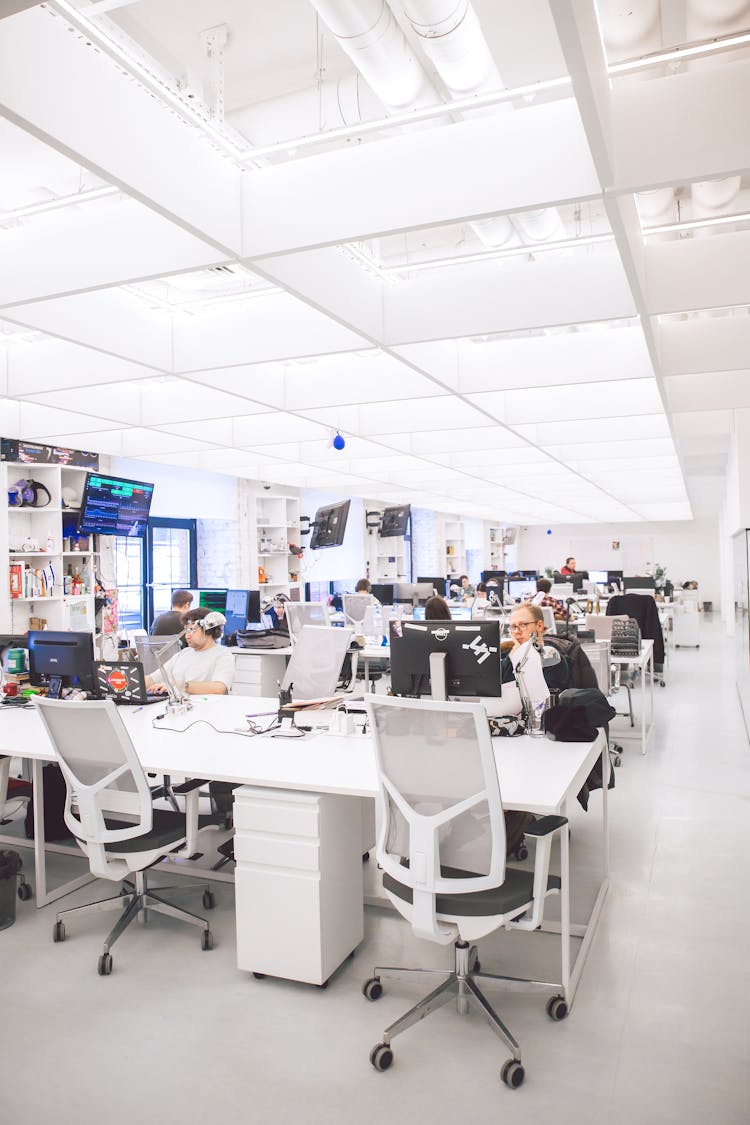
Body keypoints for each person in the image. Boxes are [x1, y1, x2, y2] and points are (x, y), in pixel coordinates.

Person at [146, 607, 234, 695]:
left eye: (192, 630)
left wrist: (180, 686)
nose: (187, 636)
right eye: (186, 630)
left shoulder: (223, 655)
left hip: (202, 706)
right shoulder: (184, 653)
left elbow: (219, 688)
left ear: (208, 630)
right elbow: (152, 679)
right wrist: (135, 683)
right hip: (176, 704)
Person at [502, 604, 569, 691]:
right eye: (513, 627)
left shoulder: (552, 660)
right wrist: (511, 659)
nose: (516, 632)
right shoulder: (509, 655)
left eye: (522, 625)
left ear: (539, 626)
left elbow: (539, 698)